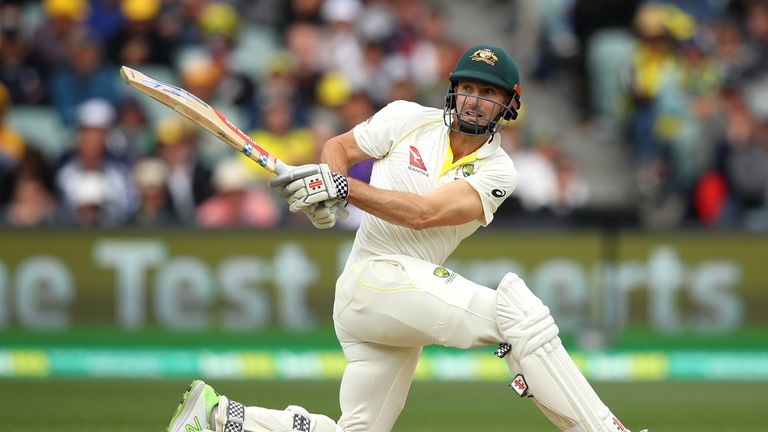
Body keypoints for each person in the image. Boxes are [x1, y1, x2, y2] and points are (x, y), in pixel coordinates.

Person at [165, 45, 642, 432]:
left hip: (398, 304)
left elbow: (423, 214)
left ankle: (215, 416)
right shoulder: (405, 117)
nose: (474, 100)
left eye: (488, 93)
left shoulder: (500, 171)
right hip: (371, 281)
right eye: (467, 88)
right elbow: (340, 148)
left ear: (509, 107)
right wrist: (327, 194)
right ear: (452, 93)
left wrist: (344, 188)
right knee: (514, 311)